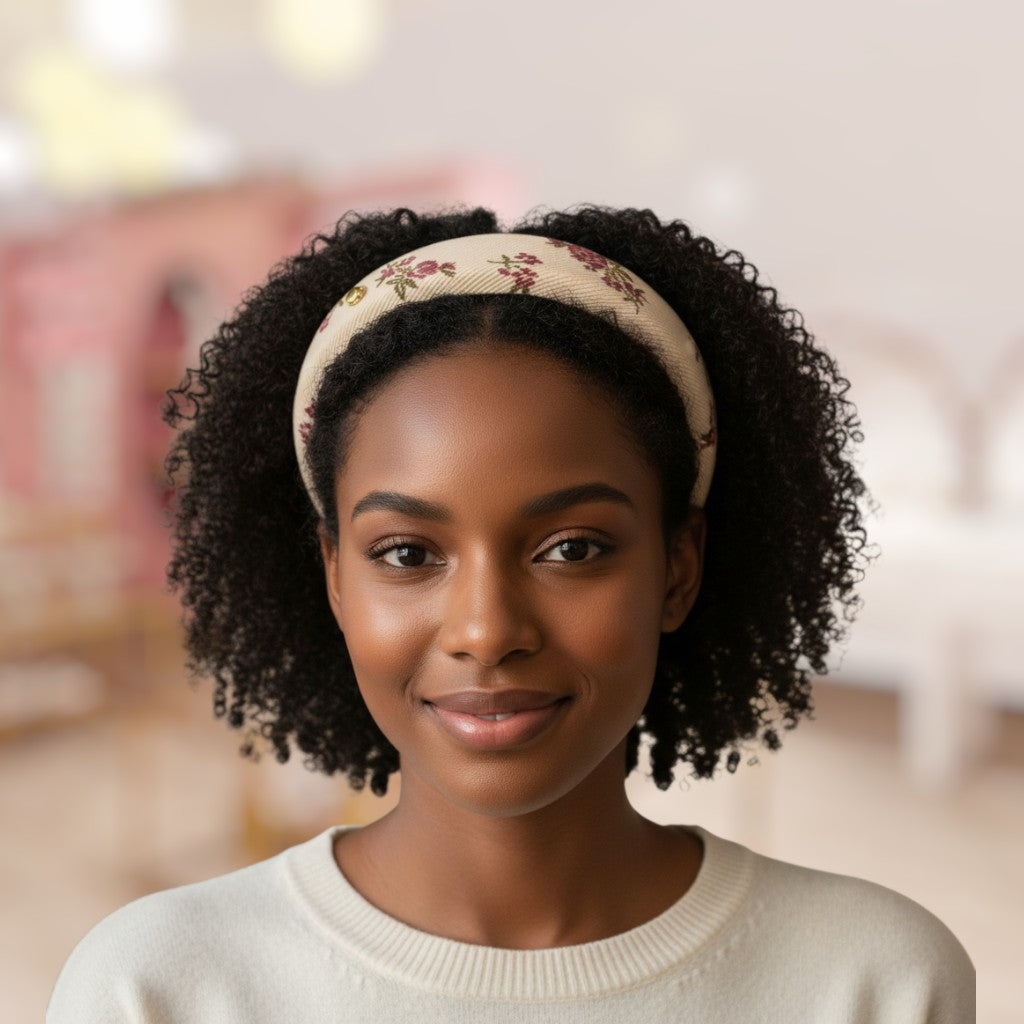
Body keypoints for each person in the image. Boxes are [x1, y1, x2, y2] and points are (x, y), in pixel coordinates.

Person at [47, 205, 975, 1022]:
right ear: (333, 576)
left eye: (571, 548)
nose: (487, 630)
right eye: (407, 555)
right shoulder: (157, 990)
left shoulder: (873, 982)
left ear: (678, 567)